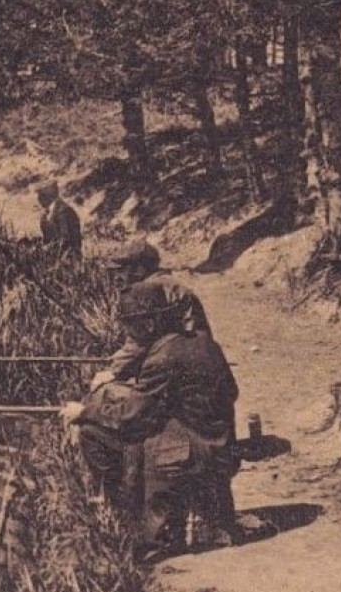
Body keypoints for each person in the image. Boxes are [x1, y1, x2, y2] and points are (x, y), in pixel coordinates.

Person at [62, 281, 242, 555]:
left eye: (130, 326)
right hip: (221, 447)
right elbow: (232, 391)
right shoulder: (203, 342)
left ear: (148, 325)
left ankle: (127, 516)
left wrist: (84, 411)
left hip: (193, 455)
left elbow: (131, 416)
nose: (127, 332)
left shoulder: (162, 357)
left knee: (92, 431)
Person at [91, 239, 210, 388]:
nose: (116, 277)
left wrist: (114, 371)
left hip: (174, 369)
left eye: (121, 270)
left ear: (139, 269)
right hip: (199, 361)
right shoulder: (171, 284)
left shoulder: (147, 291)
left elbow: (141, 341)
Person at [37, 181, 82, 258]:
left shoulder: (64, 211)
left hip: (69, 259)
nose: (38, 200)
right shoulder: (47, 213)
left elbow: (65, 239)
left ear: (48, 197)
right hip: (54, 257)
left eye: (41, 196)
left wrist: (48, 248)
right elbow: (47, 237)